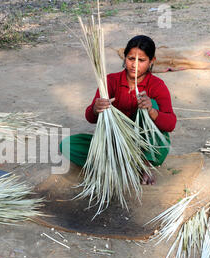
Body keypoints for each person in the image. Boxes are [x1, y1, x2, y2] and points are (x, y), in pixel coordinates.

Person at [60, 35, 176, 185]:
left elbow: (171, 124)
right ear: (124, 56)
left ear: (151, 61)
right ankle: (124, 162)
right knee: (67, 145)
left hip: (148, 149)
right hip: (116, 143)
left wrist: (152, 111)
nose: (134, 65)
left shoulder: (157, 85)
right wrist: (96, 108)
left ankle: (144, 164)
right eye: (130, 58)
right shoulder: (111, 81)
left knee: (149, 104)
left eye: (141, 60)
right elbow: (90, 117)